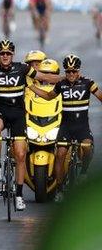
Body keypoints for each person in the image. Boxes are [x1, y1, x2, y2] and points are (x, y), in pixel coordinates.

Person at [0, 40, 62, 211]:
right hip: (1, 111)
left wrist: (68, 78)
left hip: (18, 115)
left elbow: (44, 77)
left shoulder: (22, 68)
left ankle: (20, 195)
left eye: (8, 53)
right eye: (2, 54)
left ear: (13, 55)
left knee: (21, 154)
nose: (5, 56)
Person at [28, 54, 101, 196]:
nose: (71, 74)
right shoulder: (61, 85)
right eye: (68, 71)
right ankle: (60, 188)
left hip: (82, 127)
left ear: (79, 71)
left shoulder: (88, 83)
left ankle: (84, 172)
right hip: (66, 127)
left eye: (74, 71)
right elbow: (48, 97)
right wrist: (31, 87)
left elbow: (100, 96)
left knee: (87, 148)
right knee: (60, 154)